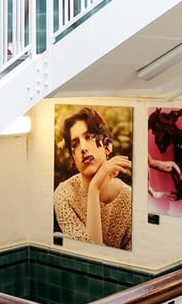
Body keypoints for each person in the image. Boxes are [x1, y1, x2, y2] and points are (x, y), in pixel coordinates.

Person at [53, 106, 132, 249]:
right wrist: (94, 189)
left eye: (89, 137)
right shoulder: (64, 194)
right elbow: (89, 256)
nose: (83, 148)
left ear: (108, 146)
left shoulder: (130, 199)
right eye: (75, 144)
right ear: (73, 159)